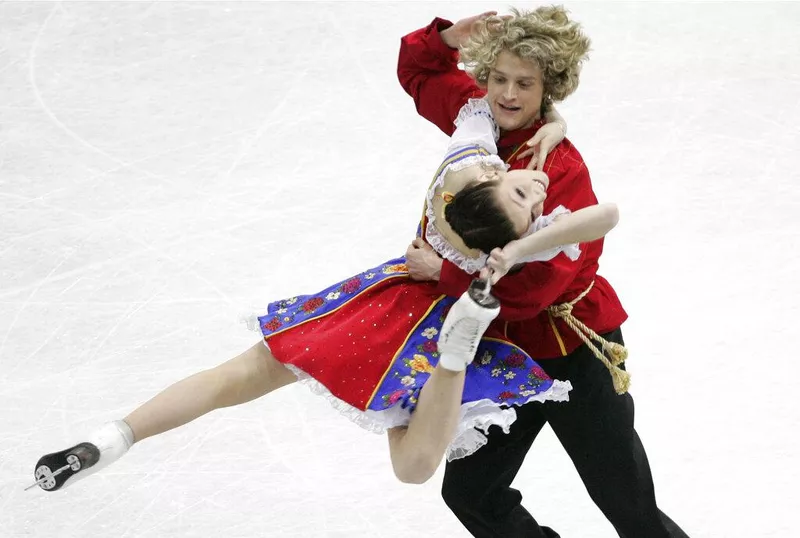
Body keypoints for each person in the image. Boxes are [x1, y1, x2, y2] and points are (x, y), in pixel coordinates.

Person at [28, 79, 615, 496]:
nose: (536, 189)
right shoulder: (522, 237)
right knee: (413, 467)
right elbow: (603, 216)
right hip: (441, 318)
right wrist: (523, 235)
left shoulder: (463, 164)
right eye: (525, 194)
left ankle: (114, 437)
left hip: (384, 301)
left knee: (243, 374)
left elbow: (470, 102)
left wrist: (541, 143)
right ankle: (453, 360)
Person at [399, 6, 690, 537]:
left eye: (524, 84)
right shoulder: (477, 121)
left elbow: (535, 289)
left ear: (548, 86)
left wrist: (442, 271)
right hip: (501, 354)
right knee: (470, 493)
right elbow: (418, 75)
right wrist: (445, 37)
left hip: (573, 354)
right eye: (499, 79)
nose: (507, 95)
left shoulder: (561, 171)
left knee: (626, 501)